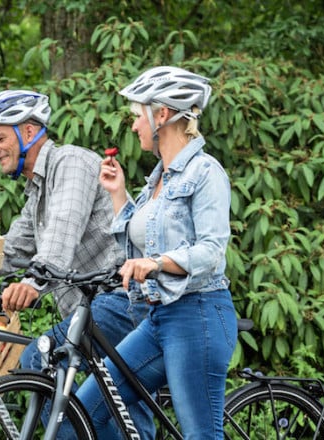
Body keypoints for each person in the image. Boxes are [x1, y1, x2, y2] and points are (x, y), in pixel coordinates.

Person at [0, 89, 155, 438]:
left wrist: (31, 284)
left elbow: (61, 237)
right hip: (91, 311)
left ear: (28, 132)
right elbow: (9, 253)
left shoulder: (70, 164)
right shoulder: (37, 191)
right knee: (117, 409)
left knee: (39, 361)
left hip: (123, 301)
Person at [75, 66, 238, 439]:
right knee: (85, 410)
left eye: (137, 115)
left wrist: (158, 263)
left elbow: (211, 251)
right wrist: (119, 195)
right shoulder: (157, 180)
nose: (134, 127)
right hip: (158, 319)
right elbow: (140, 242)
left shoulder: (205, 172)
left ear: (161, 114)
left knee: (200, 434)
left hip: (199, 315)